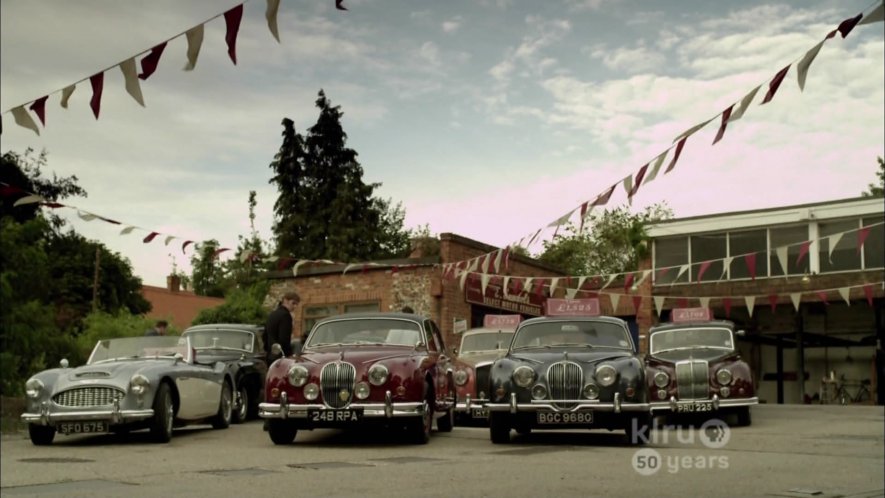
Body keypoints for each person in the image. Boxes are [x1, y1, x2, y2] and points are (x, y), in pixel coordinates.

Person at [264, 291, 300, 359]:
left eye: (296, 304)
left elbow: (265, 336)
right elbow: (284, 338)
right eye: (293, 303)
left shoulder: (272, 314)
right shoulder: (285, 316)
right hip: (281, 356)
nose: (295, 306)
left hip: (270, 355)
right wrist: (289, 354)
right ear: (285, 300)